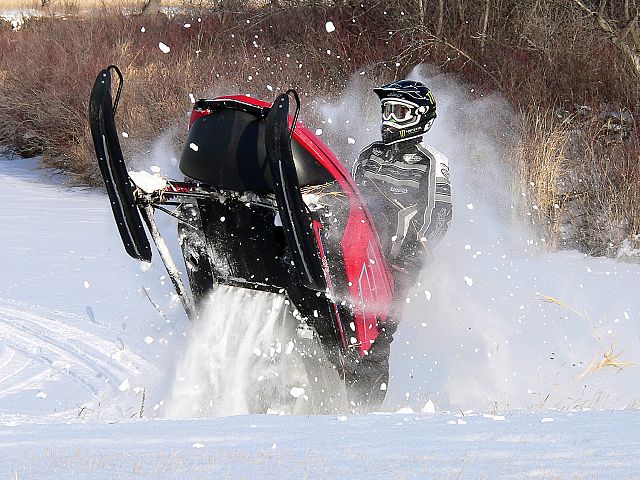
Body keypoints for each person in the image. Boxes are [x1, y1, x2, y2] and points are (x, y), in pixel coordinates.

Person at [351, 80, 453, 368]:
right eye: (386, 111)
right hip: (359, 249)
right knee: (344, 314)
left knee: (380, 328)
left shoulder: (431, 161)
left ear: (420, 116)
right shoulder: (369, 153)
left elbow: (440, 213)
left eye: (399, 113)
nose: (390, 120)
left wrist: (414, 253)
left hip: (396, 259)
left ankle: (368, 389)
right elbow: (350, 195)